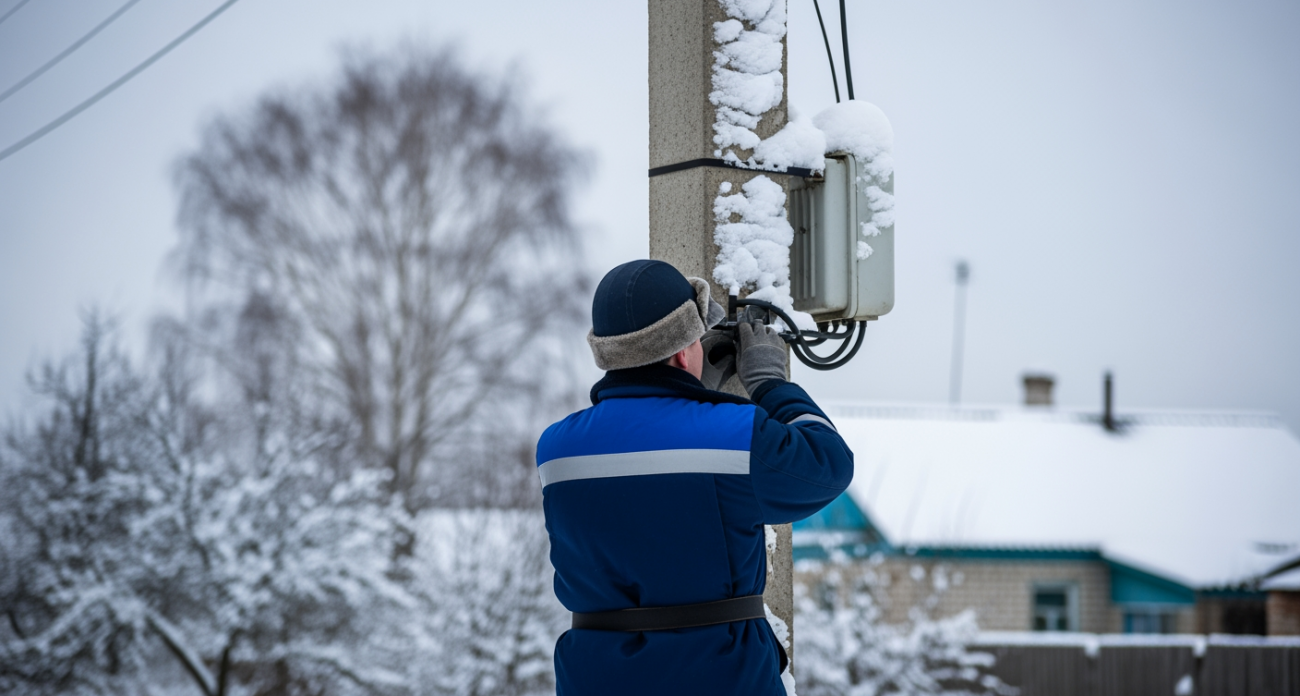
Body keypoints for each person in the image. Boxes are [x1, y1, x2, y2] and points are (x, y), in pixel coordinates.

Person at [537, 260, 854, 695]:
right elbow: (829, 464)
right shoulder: (734, 435)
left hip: (594, 680)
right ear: (684, 351)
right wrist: (770, 384)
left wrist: (692, 393)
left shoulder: (556, 449)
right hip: (721, 678)